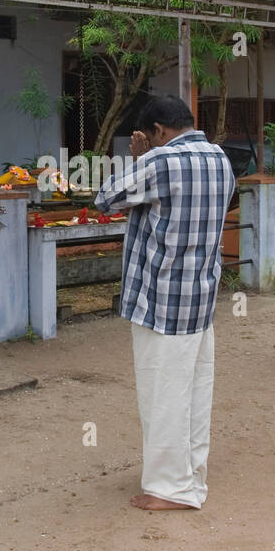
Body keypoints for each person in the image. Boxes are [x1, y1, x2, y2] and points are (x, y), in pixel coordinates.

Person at [94, 93, 236, 511]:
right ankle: (188, 476)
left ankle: (171, 488)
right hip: (199, 300)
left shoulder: (161, 162)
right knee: (192, 394)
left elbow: (106, 198)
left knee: (164, 395)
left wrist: (139, 159)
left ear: (157, 130)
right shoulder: (220, 159)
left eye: (149, 137)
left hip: (161, 301)